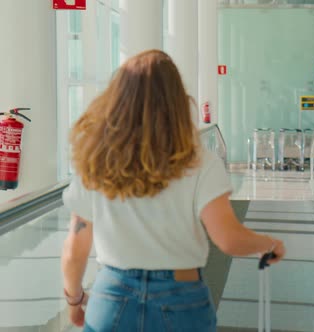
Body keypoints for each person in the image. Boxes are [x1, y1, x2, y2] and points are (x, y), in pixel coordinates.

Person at [60, 50, 285, 331]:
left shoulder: (96, 162)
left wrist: (74, 302)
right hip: (181, 300)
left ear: (118, 99)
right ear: (177, 102)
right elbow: (228, 239)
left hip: (112, 298)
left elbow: (75, 250)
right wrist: (269, 244)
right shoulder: (200, 161)